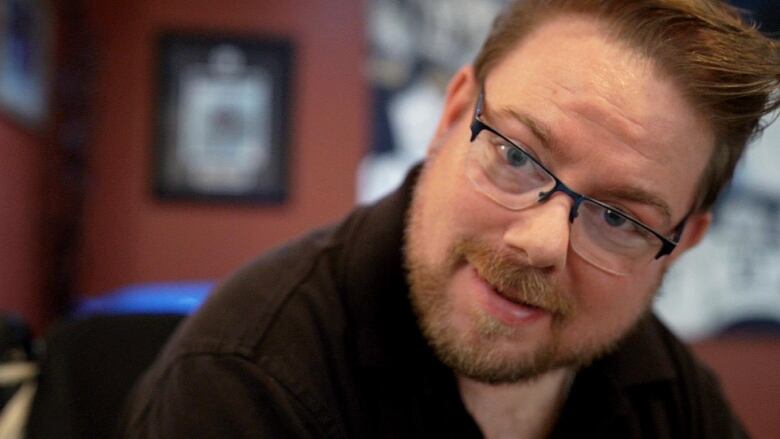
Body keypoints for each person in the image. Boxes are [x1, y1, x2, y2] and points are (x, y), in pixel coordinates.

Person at [119, 1, 780, 437]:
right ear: (453, 113)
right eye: (517, 155)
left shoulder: (665, 392)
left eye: (617, 218)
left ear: (683, 240)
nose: (540, 242)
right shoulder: (246, 386)